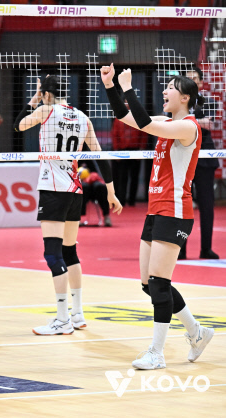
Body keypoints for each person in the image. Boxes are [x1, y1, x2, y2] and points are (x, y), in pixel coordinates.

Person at [102, 64, 214, 369]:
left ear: (186, 98)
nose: (164, 91)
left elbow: (142, 121)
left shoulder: (188, 127)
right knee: (147, 284)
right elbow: (124, 116)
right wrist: (111, 85)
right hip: (156, 210)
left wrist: (128, 87)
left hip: (175, 211)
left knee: (159, 282)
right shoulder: (166, 122)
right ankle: (197, 332)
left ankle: (157, 352)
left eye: (171, 88)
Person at [15, 75, 122, 335]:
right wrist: (111, 191)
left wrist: (33, 100)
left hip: (53, 190)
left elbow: (18, 125)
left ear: (46, 94)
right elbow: (100, 156)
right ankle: (77, 314)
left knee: (53, 255)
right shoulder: (83, 117)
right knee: (69, 252)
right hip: (75, 191)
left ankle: (62, 319)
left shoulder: (45, 110)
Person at [179, 67, 220, 260]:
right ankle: (181, 249)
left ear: (201, 82)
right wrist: (197, 120)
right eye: (188, 78)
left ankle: (206, 248)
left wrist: (186, 119)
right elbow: (174, 123)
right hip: (184, 157)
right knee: (182, 203)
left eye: (195, 78)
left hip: (205, 158)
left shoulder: (210, 101)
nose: (192, 81)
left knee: (206, 205)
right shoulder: (178, 101)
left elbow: (209, 124)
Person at [111, 95, 148, 207]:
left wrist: (141, 150)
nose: (128, 104)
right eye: (126, 102)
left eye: (130, 102)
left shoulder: (139, 117)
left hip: (135, 150)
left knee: (134, 176)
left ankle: (132, 200)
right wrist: (116, 150)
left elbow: (144, 134)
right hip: (122, 151)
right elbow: (114, 135)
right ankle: (121, 199)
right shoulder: (118, 119)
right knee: (123, 177)